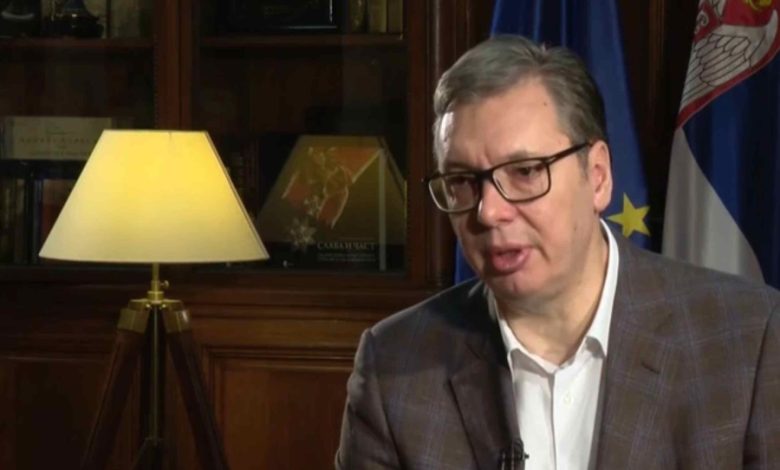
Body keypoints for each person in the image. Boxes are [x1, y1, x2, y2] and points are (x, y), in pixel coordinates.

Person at [335, 35, 780, 469]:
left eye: (525, 171)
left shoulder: (747, 341)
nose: (489, 212)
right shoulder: (393, 366)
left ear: (598, 176)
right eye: (462, 182)